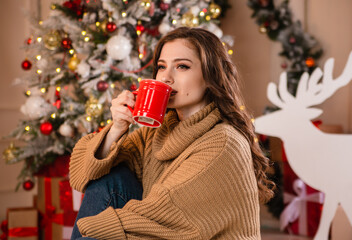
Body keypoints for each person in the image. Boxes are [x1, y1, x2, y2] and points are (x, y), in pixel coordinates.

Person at [69, 27, 274, 240]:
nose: (165, 78)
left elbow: (164, 214)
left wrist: (88, 228)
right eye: (161, 67)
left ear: (210, 75)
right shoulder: (157, 132)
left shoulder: (223, 142)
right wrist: (116, 129)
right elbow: (83, 175)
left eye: (182, 66)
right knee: (110, 176)